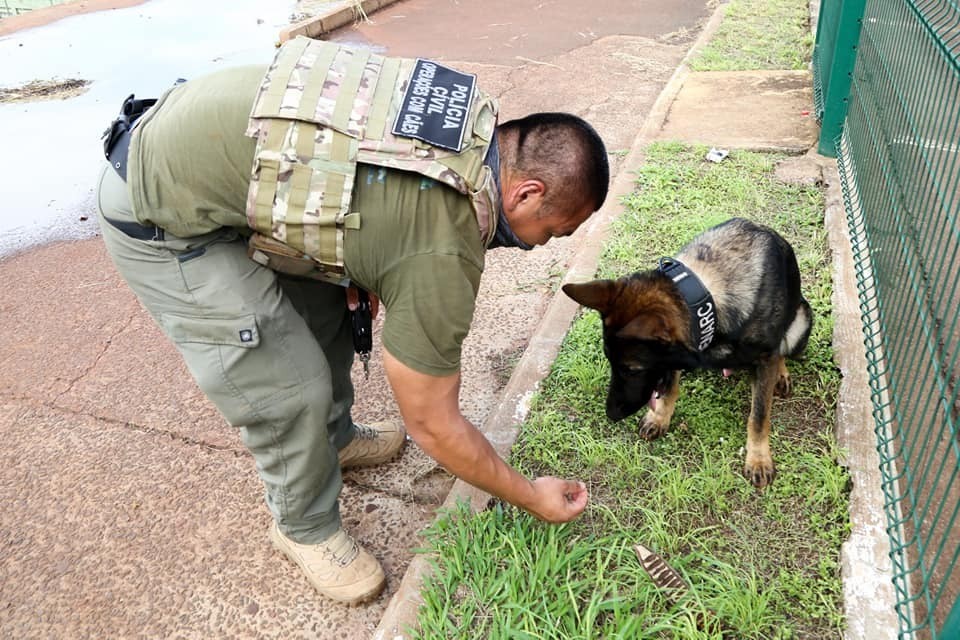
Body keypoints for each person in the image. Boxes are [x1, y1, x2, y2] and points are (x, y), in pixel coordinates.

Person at [95, 37, 609, 605]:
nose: (542, 246)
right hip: (160, 212)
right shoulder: (443, 247)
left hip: (216, 155)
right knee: (289, 386)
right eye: (554, 231)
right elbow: (433, 423)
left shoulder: (470, 119)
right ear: (528, 192)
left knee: (332, 311)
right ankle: (303, 526)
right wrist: (529, 494)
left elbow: (360, 174)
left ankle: (332, 440)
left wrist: (358, 262)